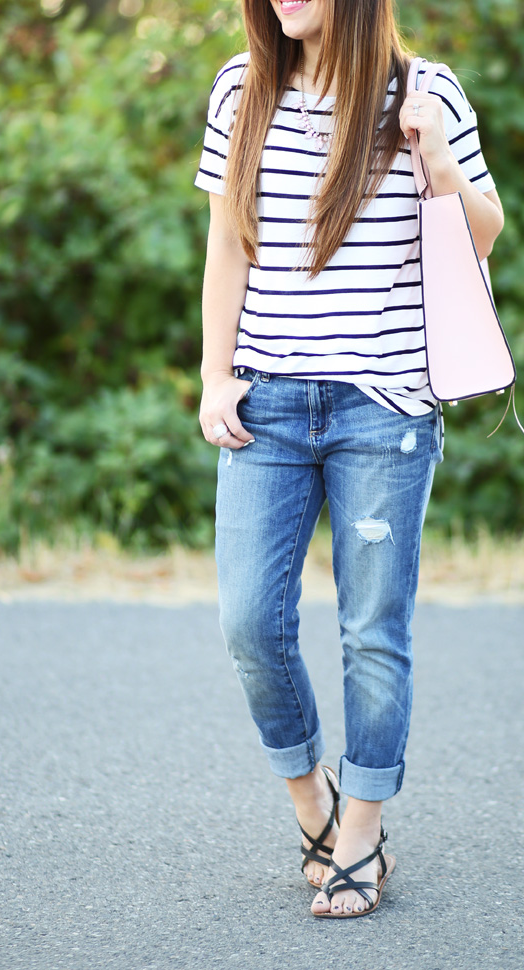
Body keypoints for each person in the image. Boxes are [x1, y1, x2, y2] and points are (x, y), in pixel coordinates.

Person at [195, 0, 503, 919]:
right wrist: (214, 375)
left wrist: (438, 158)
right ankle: (313, 802)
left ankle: (363, 834)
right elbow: (226, 247)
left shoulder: (426, 89)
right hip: (269, 405)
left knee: (373, 627)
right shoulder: (239, 90)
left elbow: (486, 232)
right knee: (250, 621)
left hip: (385, 407)